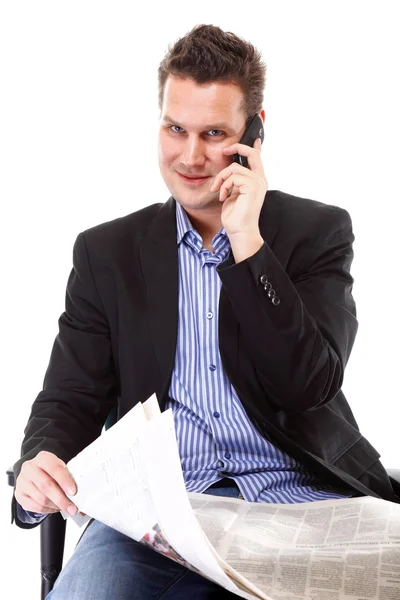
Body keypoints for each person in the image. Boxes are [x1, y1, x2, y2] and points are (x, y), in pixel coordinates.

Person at [12, 23, 399, 600]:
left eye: (214, 133)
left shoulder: (315, 233)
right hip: (165, 519)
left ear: (254, 134)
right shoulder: (106, 252)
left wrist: (248, 245)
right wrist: (37, 463)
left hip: (303, 503)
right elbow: (71, 396)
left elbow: (307, 386)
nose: (190, 156)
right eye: (176, 129)